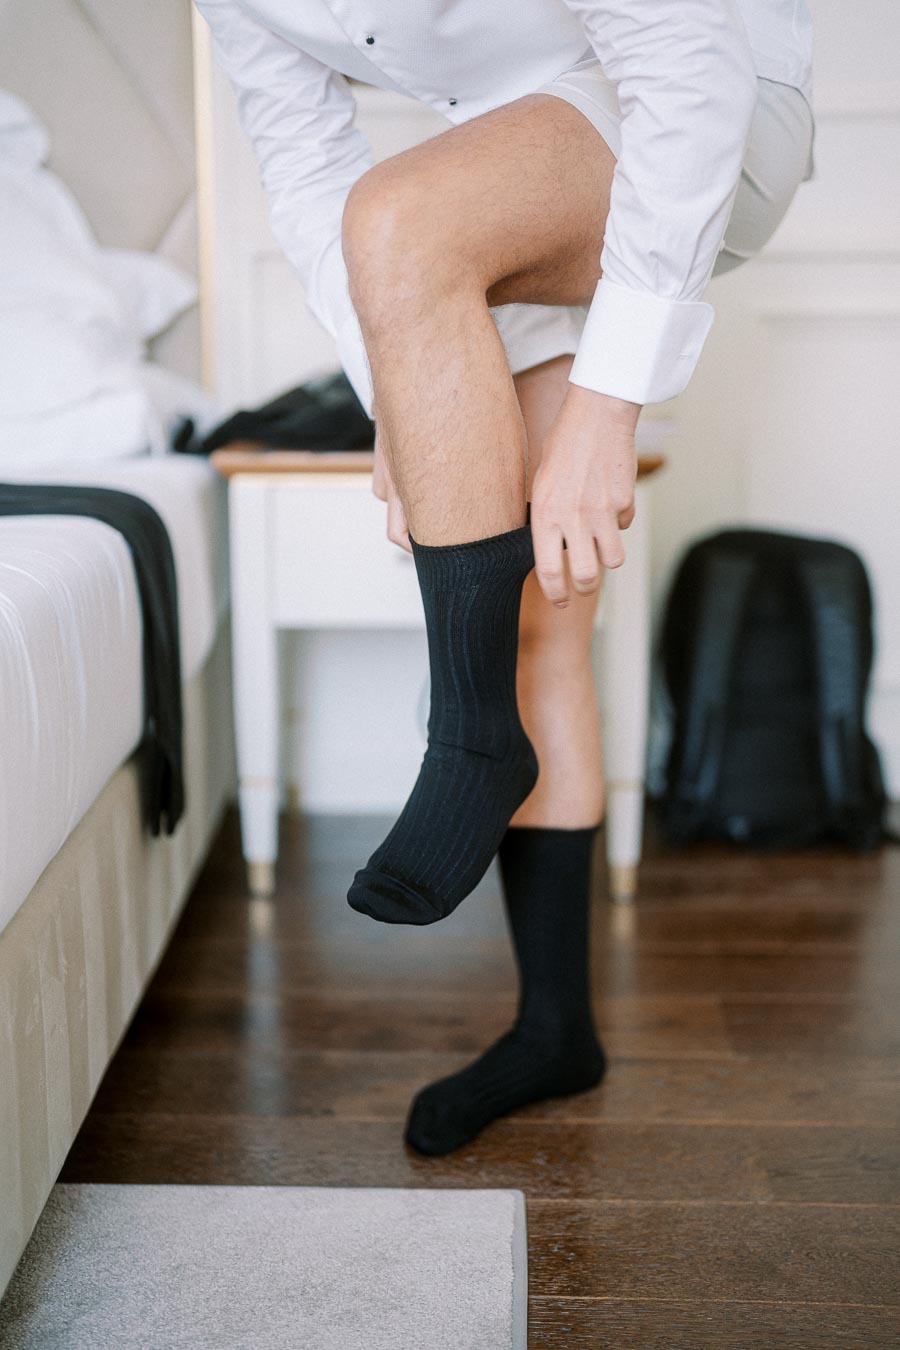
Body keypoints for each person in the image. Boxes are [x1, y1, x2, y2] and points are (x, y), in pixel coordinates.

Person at [195, 0, 814, 1155]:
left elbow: (688, 64)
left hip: (696, 105)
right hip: (509, 164)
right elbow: (300, 157)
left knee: (399, 215)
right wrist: (404, 377)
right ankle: (555, 1032)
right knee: (544, 618)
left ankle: (471, 739)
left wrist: (606, 408)